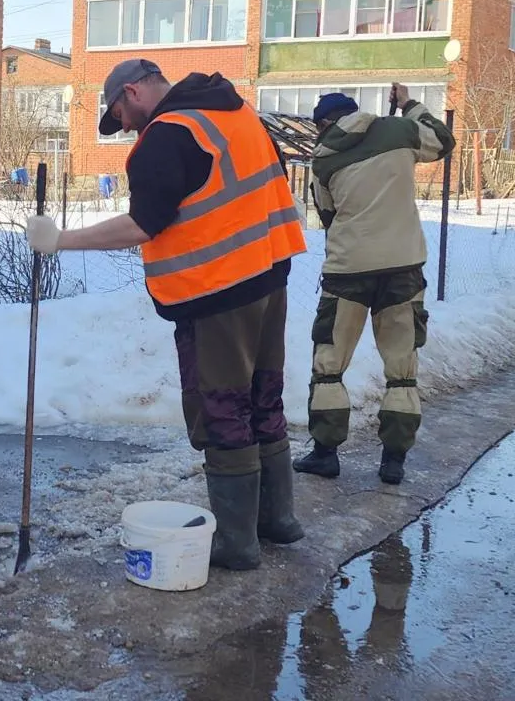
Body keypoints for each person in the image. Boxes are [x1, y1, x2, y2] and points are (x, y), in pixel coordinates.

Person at [25, 59, 309, 571]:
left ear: (132, 91)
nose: (126, 127)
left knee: (222, 409)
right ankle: (277, 520)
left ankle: (238, 544)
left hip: (219, 293)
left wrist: (61, 240)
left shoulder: (167, 135)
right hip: (269, 277)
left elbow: (142, 224)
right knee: (263, 397)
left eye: (120, 114)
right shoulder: (237, 113)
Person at [293, 85, 455, 485]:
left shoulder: (323, 158)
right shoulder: (399, 131)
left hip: (348, 268)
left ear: (325, 123)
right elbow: (443, 141)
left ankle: (326, 453)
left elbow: (327, 215)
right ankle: (393, 462)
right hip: (403, 267)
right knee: (401, 367)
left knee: (330, 364)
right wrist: (409, 105)